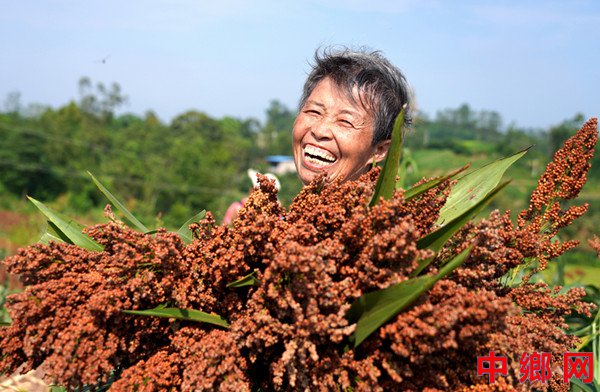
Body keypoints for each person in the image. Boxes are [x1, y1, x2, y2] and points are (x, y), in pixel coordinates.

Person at [292, 47, 412, 185]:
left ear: (379, 150)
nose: (320, 131)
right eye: (314, 112)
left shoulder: (382, 206)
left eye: (345, 121)